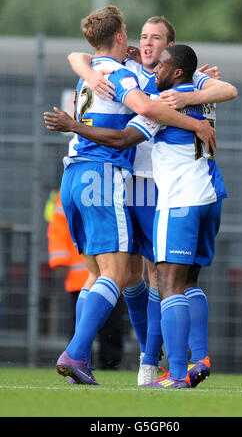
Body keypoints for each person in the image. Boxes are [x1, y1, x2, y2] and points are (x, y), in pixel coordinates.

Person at [45, 43, 232, 388]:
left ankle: (174, 374)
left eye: (160, 63)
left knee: (166, 283)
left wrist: (74, 125)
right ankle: (198, 356)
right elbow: (229, 89)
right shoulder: (203, 90)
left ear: (175, 70)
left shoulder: (159, 102)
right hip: (210, 193)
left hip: (176, 199)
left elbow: (122, 137)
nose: (153, 64)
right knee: (187, 280)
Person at [47, 189, 126, 370]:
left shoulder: (69, 186)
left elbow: (57, 228)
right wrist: (60, 260)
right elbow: (58, 228)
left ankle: (99, 361)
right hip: (101, 274)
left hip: (88, 274)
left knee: (102, 323)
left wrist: (60, 259)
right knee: (99, 321)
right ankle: (90, 359)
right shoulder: (112, 183)